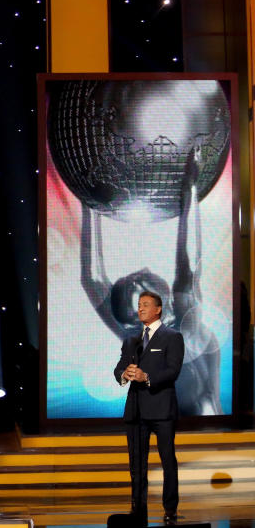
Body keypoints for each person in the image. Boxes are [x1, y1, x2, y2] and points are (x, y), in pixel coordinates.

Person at [83, 146, 221, 416]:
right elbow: (188, 269)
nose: (143, 270)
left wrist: (90, 205)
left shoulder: (163, 331)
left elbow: (93, 278)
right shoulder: (179, 327)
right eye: (139, 279)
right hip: (190, 420)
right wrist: (189, 190)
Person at [113, 290, 184, 525]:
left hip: (162, 409)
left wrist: (147, 377)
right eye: (139, 305)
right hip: (137, 410)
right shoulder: (131, 340)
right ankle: (138, 508)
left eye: (145, 304)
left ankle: (170, 508)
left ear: (158, 309)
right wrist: (125, 374)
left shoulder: (172, 337)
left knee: (167, 460)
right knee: (137, 463)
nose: (140, 308)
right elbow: (119, 368)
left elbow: (173, 370)